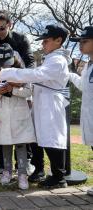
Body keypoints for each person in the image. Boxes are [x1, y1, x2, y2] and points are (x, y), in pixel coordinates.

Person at [0, 24, 71, 188]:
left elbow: (37, 75)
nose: (42, 44)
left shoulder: (58, 60)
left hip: (51, 105)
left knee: (53, 140)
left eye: (46, 41)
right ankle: (45, 171)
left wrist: (7, 73)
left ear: (59, 41)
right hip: (43, 104)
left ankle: (59, 177)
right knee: (43, 139)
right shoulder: (51, 58)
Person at [0, 43, 36, 190]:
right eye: (2, 65)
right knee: (6, 145)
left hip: (19, 115)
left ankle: (22, 174)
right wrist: (0, 92)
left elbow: (28, 92)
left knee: (21, 144)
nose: (5, 68)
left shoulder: (22, 73)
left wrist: (13, 89)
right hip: (3, 115)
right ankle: (7, 172)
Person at [68, 25, 93, 195]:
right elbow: (84, 86)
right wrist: (69, 74)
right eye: (79, 42)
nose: (80, 45)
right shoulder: (88, 65)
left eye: (85, 41)